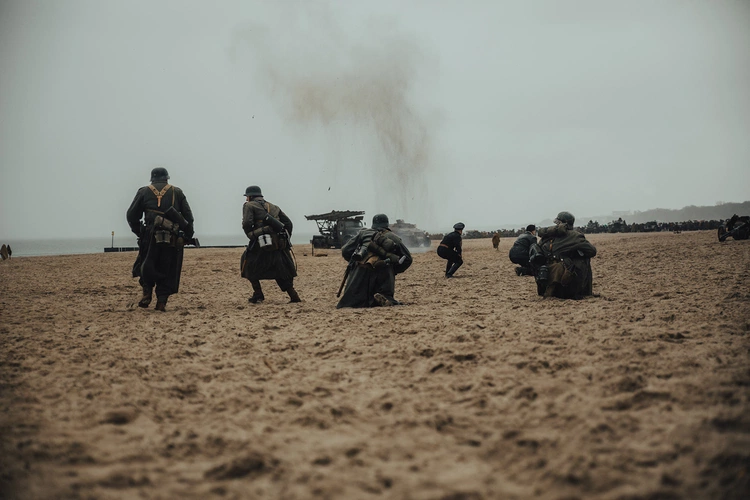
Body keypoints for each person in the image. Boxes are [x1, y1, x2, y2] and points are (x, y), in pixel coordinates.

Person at [127, 167, 195, 311]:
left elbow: (131, 215)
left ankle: (146, 293)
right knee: (168, 268)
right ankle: (161, 302)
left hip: (149, 236)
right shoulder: (177, 192)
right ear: (167, 178)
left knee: (146, 264)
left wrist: (139, 231)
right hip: (172, 237)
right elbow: (189, 218)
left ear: (152, 179)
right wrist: (188, 235)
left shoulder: (143, 191)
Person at [336, 213, 412, 308]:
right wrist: (394, 270)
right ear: (387, 224)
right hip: (383, 272)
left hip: (359, 274)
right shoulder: (393, 237)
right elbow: (407, 259)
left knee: (351, 301)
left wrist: (354, 264)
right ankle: (382, 299)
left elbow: (345, 250)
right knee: (384, 295)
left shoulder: (363, 234)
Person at [240, 185, 301, 304]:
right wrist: (285, 240)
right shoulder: (273, 206)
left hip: (260, 243)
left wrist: (251, 233)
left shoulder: (249, 205)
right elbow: (288, 223)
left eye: (247, 197)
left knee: (247, 264)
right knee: (281, 269)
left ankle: (258, 294)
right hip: (278, 244)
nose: (247, 199)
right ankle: (294, 296)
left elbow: (247, 223)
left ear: (250, 196)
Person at [532, 211, 596, 299]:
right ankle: (586, 292)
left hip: (545, 279)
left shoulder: (546, 237)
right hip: (566, 285)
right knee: (585, 259)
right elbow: (592, 251)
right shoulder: (575, 236)